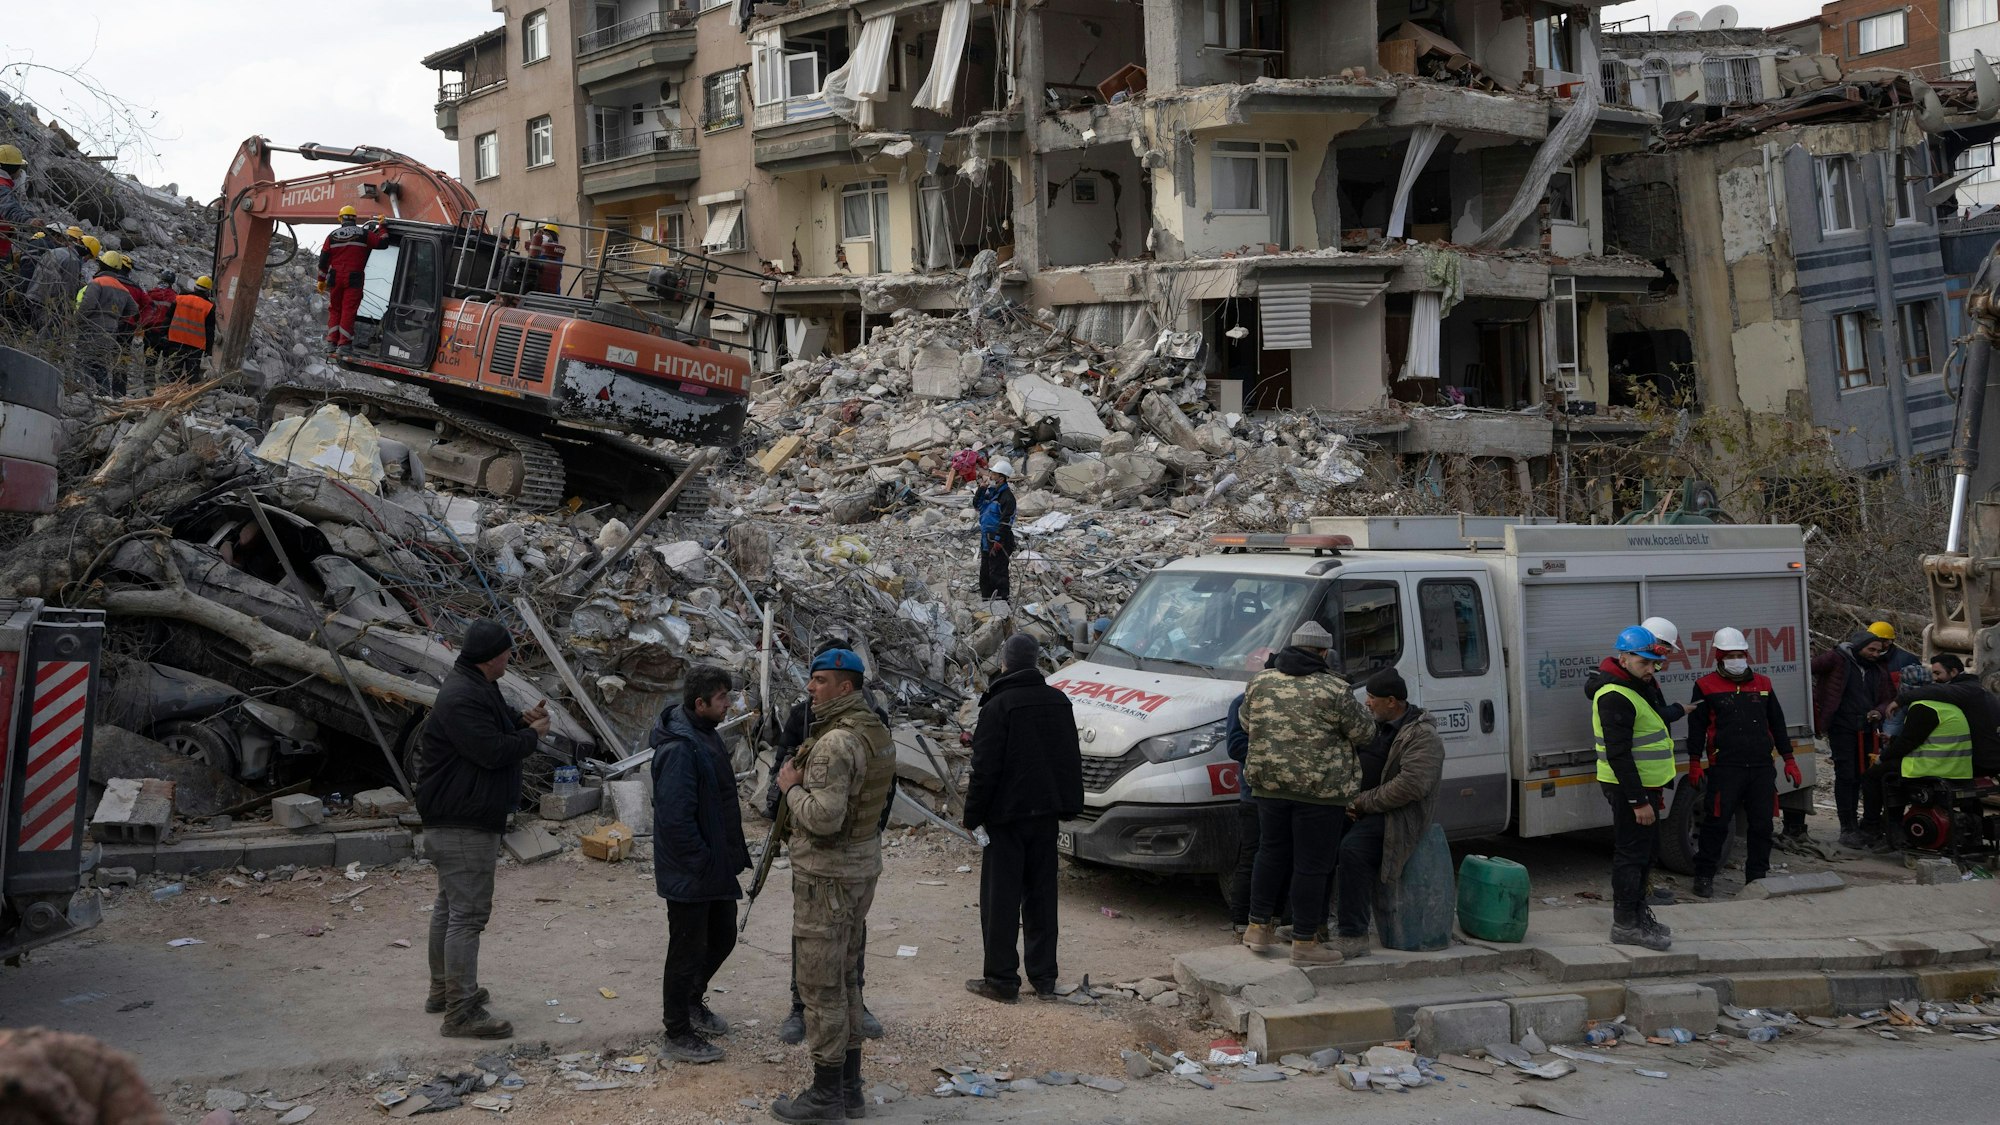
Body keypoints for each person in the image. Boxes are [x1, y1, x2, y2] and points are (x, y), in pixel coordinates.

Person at [770, 649, 896, 1124]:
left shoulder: (836, 742)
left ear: (845, 687)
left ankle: (826, 1095)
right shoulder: (875, 730)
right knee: (846, 977)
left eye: (820, 681)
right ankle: (850, 1089)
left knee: (821, 987)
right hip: (860, 870)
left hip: (828, 877)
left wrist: (790, 787)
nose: (810, 688)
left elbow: (824, 818)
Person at [414, 619, 551, 1040]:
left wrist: (521, 721)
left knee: (450, 908)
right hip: (463, 821)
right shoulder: (462, 695)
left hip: (459, 817)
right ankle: (460, 1010)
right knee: (467, 916)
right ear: (494, 656)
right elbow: (492, 751)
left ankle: (445, 991)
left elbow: (497, 726)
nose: (512, 657)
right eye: (509, 651)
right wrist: (531, 735)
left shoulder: (474, 686)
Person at [1240, 620, 1374, 966]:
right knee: (1312, 866)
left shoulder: (1261, 682)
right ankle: (1304, 942)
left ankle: (1257, 928)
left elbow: (1246, 722)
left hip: (1268, 787)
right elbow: (1365, 733)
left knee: (1270, 853)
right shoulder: (1334, 689)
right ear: (1324, 652)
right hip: (1319, 792)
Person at [963, 634, 1083, 1002]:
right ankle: (1044, 977)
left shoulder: (999, 707)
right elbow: (1070, 759)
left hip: (1006, 819)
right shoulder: (1059, 700)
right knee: (1042, 896)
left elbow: (985, 769)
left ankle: (1001, 980)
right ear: (1035, 663)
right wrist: (1067, 806)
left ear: (1004, 664)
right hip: (1045, 816)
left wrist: (972, 816)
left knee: (1001, 899)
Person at [650, 665, 751, 1064]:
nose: (729, 705)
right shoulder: (680, 748)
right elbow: (675, 819)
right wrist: (702, 861)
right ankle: (676, 1033)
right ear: (700, 703)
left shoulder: (704, 735)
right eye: (723, 699)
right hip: (692, 871)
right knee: (686, 950)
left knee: (723, 936)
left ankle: (692, 1001)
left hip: (712, 866)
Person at [1327, 668, 1444, 960]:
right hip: (1360, 807)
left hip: (1398, 816)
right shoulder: (1376, 726)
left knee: (1353, 850)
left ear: (1392, 701)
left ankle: (1353, 936)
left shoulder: (1422, 735)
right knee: (1319, 838)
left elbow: (1411, 786)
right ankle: (1309, 925)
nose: (1367, 703)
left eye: (1372, 698)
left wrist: (1362, 803)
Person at [1686, 627, 1799, 898]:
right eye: (1730, 655)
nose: (1736, 659)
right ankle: (1704, 875)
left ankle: (1756, 878)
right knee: (1716, 824)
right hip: (1725, 768)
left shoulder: (1763, 684)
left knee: (1762, 826)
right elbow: (1697, 728)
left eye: (1740, 654)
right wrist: (1693, 761)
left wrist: (1789, 759)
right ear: (1719, 656)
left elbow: (1778, 724)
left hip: (1761, 768)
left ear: (1746, 655)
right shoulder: (1705, 686)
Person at [1590, 625, 1678, 951]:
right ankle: (1626, 924)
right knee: (1632, 855)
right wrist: (1637, 800)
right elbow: (1619, 754)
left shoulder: (1637, 685)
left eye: (1653, 663)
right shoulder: (1615, 695)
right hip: (1630, 788)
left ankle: (1639, 916)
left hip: (1645, 786)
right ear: (1623, 657)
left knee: (1645, 854)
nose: (1650, 669)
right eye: (1643, 662)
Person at [1864, 653, 1998, 848]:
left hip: (1935, 767)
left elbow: (1908, 743)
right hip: (1959, 766)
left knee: (1875, 776)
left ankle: (1875, 828)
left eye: (1938, 673)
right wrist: (1894, 740)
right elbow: (1928, 736)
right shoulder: (1953, 704)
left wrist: (1882, 757)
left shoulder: (1922, 706)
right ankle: (1971, 836)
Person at [1811, 629, 1895, 848]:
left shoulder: (1879, 668)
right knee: (1846, 775)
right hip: (1842, 727)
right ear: (1859, 647)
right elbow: (1808, 668)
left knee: (1869, 776)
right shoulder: (1837, 658)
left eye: (1878, 650)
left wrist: (1878, 710)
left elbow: (1888, 697)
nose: (1875, 654)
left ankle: (1869, 825)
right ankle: (1847, 827)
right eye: (1871, 649)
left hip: (1868, 728)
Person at [317, 205, 387, 353]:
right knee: (348, 310)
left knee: (335, 309)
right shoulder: (364, 234)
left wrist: (321, 280)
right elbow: (383, 243)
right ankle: (344, 344)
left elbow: (323, 261)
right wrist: (382, 227)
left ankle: (331, 343)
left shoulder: (332, 236)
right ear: (355, 218)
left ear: (340, 218)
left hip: (335, 277)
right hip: (354, 278)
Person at [74, 261, 141, 395]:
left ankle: (83, 392)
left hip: (92, 327)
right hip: (111, 330)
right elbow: (134, 309)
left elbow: (88, 305)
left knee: (84, 359)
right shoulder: (123, 289)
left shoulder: (97, 282)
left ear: (102, 266)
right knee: (100, 362)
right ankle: (104, 394)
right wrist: (117, 318)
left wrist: (76, 321)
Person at [972, 459, 1016, 604]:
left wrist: (998, 540)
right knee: (985, 572)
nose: (990, 476)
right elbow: (977, 505)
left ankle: (1002, 603)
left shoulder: (1007, 498)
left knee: (998, 572)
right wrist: (981, 489)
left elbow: (1006, 521)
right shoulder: (991, 493)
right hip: (987, 538)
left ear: (1001, 478)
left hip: (999, 540)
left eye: (994, 474)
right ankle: (987, 602)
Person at [25, 226, 80, 331]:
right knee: (43, 337)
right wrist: (66, 313)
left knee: (28, 331)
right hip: (46, 304)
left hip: (31, 295)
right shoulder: (72, 260)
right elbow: (69, 289)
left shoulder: (52, 251)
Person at [162, 276, 217, 382]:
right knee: (192, 376)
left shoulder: (180, 299)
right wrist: (208, 349)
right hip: (196, 346)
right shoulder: (209, 307)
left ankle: (168, 395)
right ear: (208, 291)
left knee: (173, 372)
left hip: (175, 341)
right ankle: (188, 396)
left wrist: (164, 335)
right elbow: (210, 331)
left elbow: (167, 319)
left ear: (195, 287)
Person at [139, 270, 178, 358]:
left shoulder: (150, 293)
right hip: (164, 333)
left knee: (149, 359)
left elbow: (143, 310)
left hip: (149, 330)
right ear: (172, 282)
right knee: (165, 361)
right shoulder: (175, 297)